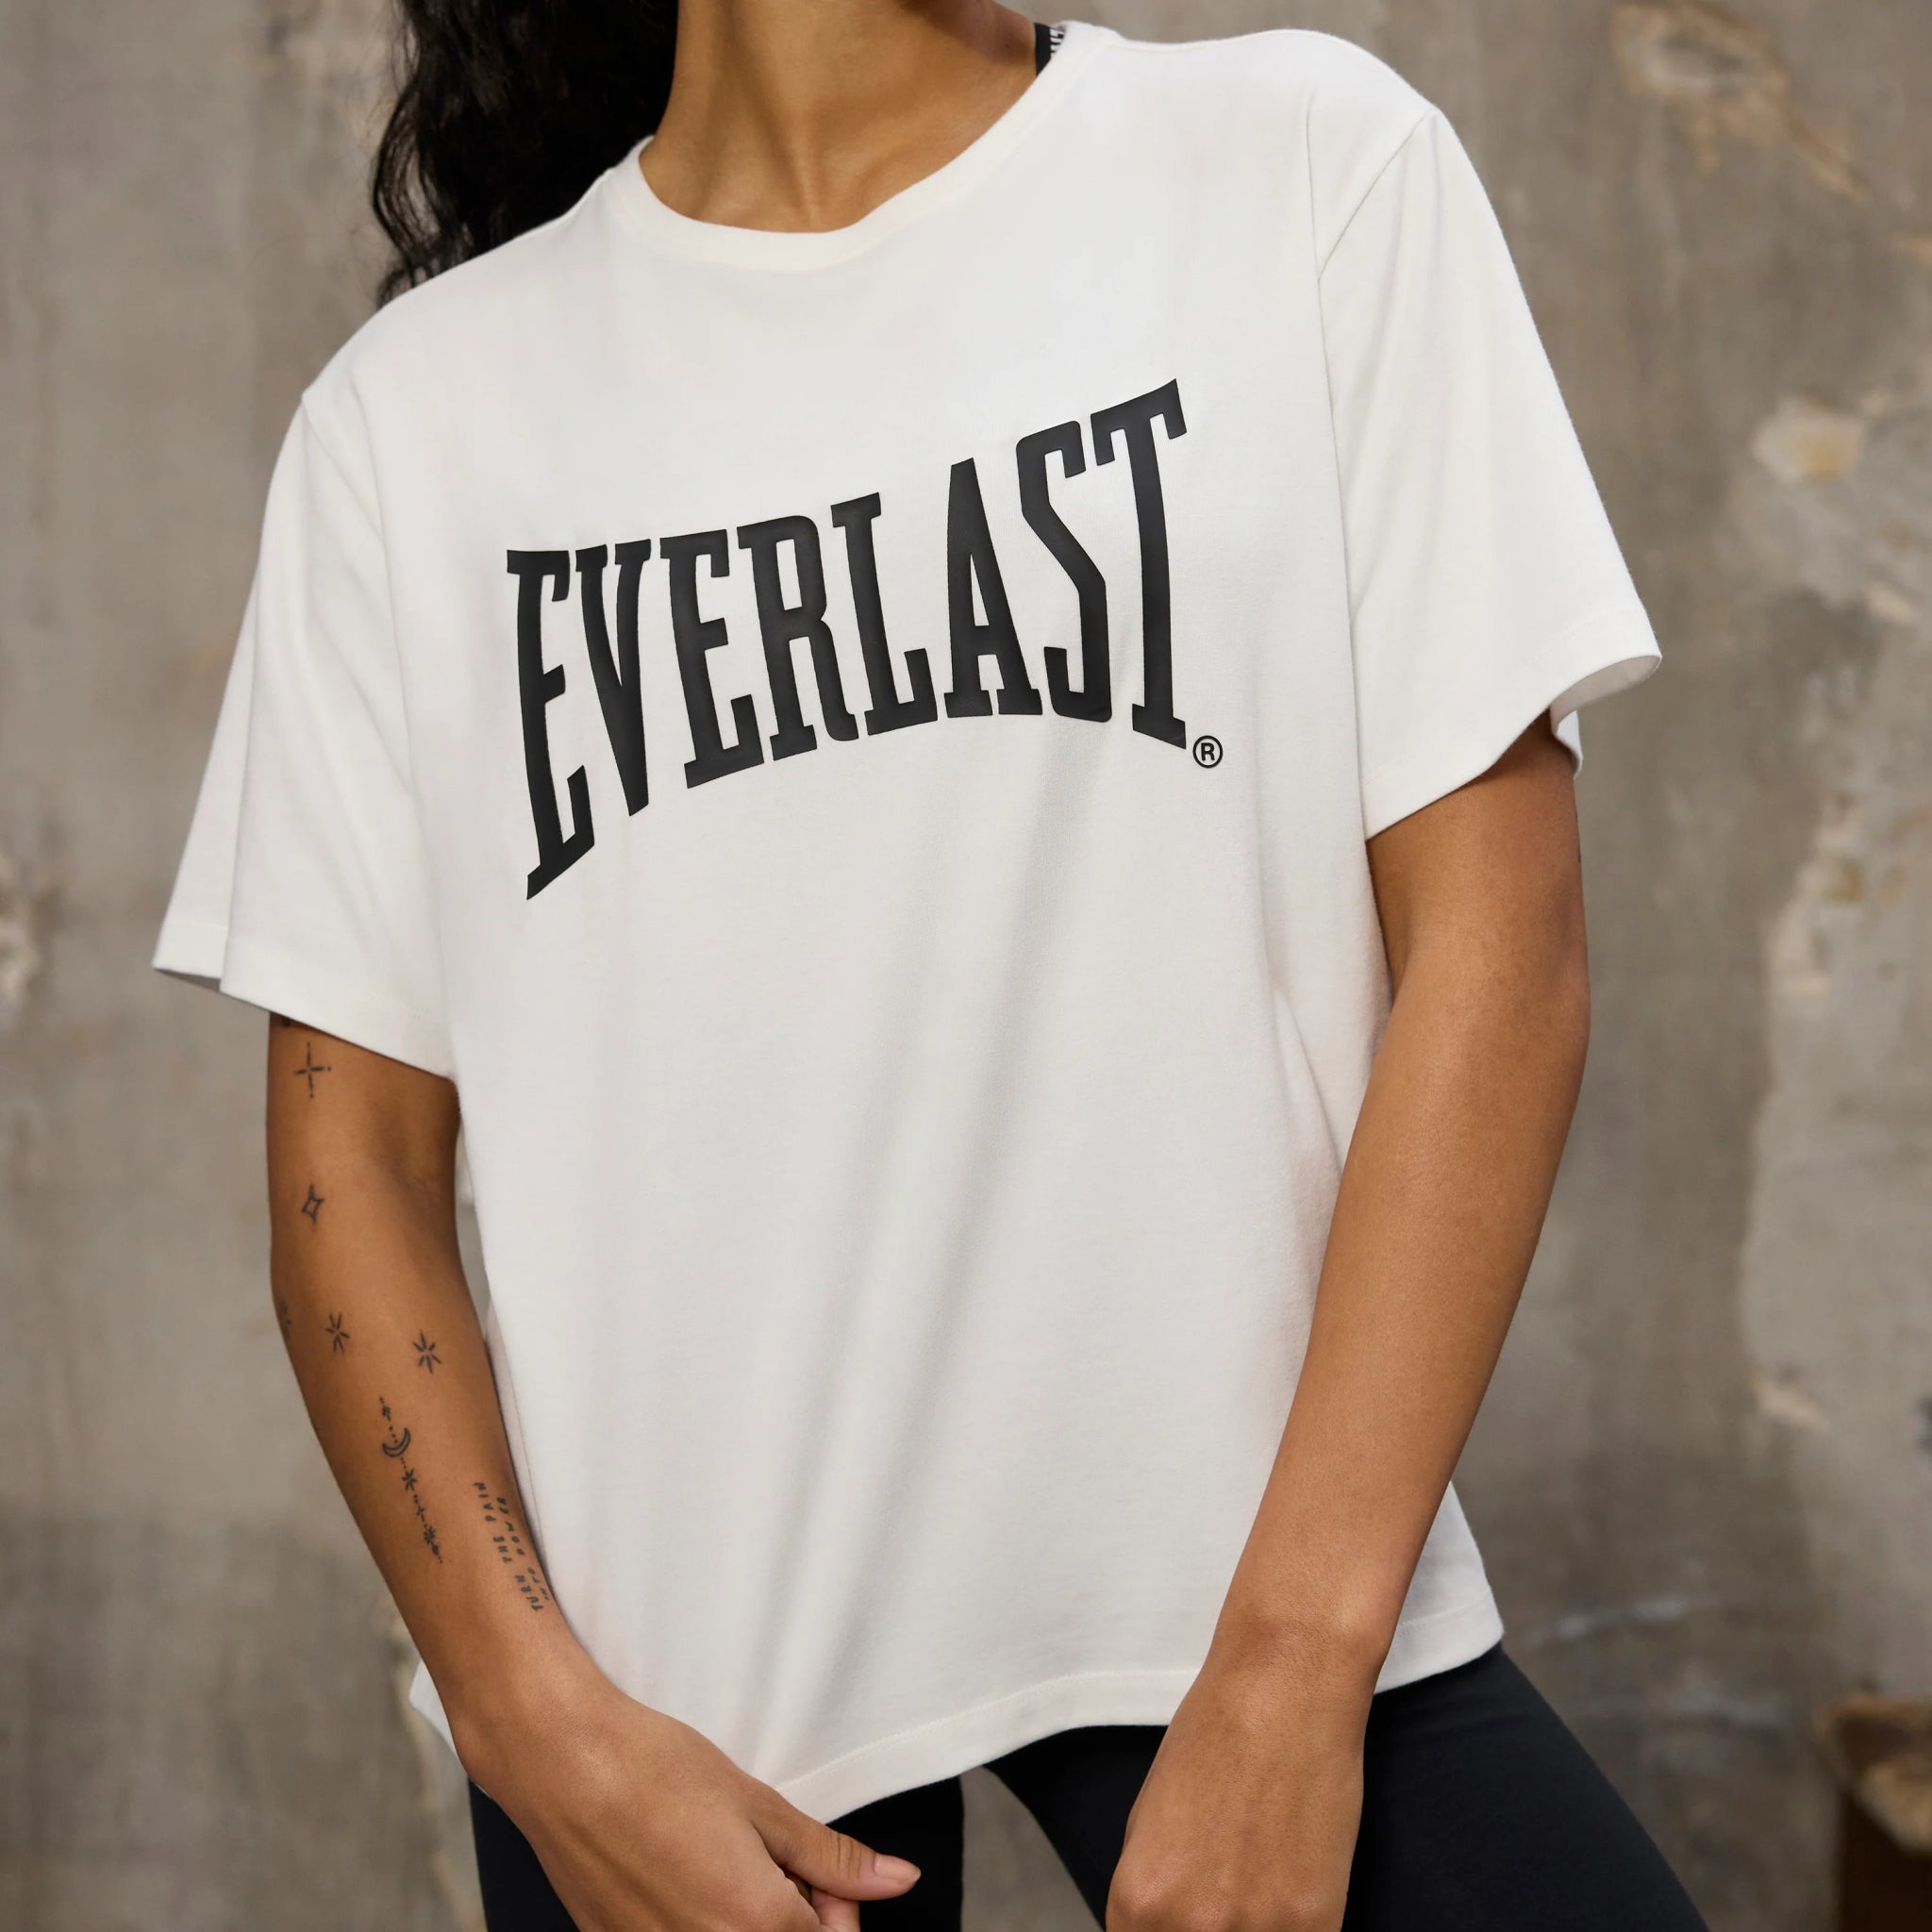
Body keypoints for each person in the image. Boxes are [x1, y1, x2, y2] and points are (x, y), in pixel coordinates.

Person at [154, 3, 1707, 1927]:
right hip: (671, 1747)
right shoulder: (410, 426)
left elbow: (1501, 950)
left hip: (1255, 1608)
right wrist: (533, 1724)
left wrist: (1296, 1665)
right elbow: (351, 1178)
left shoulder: (1302, 168)